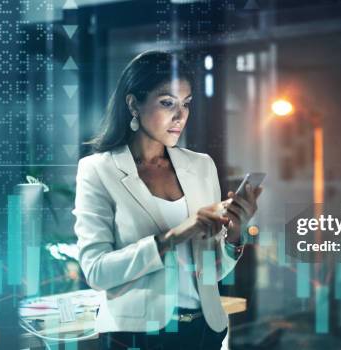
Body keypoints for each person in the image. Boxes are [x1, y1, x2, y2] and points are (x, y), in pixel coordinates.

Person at [72, 50, 263, 349]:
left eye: (186, 104)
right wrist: (175, 236)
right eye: (167, 103)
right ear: (133, 103)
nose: (181, 116)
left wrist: (234, 234)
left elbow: (209, 271)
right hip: (136, 336)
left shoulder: (202, 166)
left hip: (203, 331)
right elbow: (96, 272)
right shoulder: (98, 170)